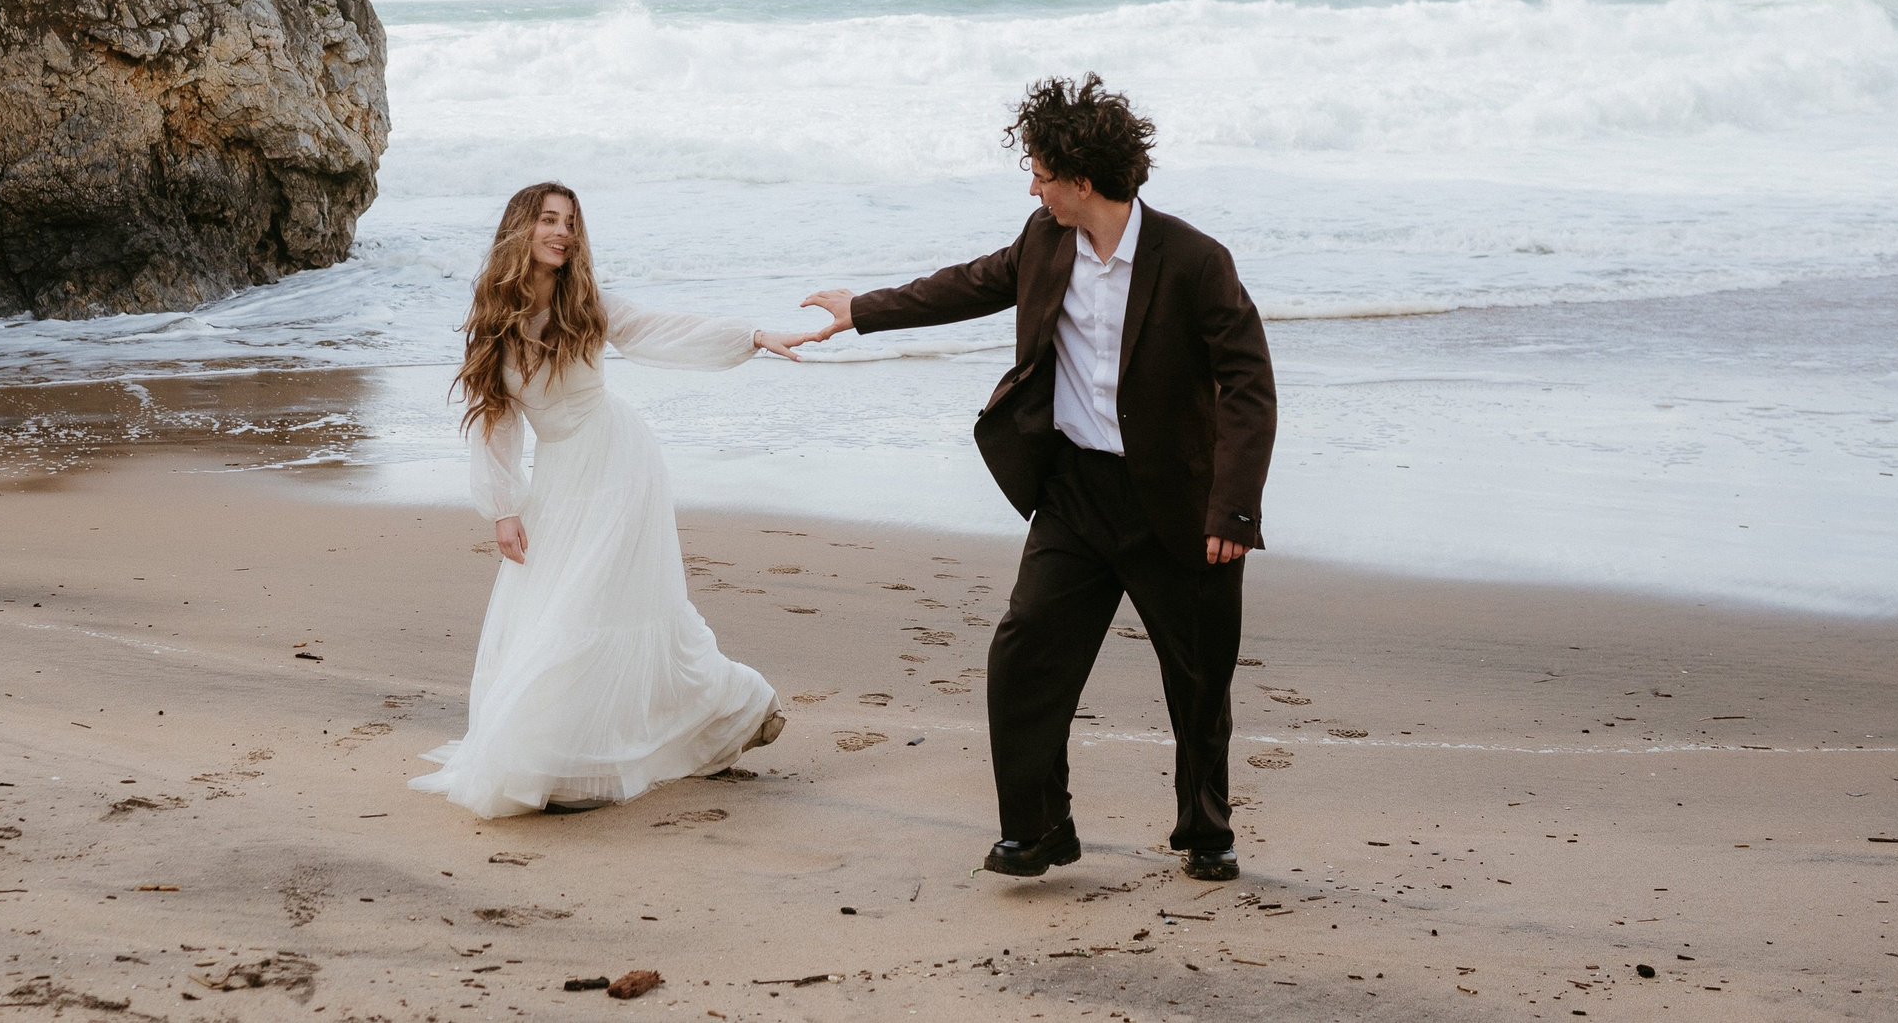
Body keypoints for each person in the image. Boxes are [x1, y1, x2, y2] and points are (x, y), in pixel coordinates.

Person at [802, 75, 1277, 881]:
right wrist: (865, 308)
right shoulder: (1044, 238)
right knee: (1023, 657)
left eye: (1041, 171)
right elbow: (971, 282)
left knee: (1198, 682)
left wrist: (1232, 510)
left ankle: (1206, 830)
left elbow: (1250, 384)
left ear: (1082, 178)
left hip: (1178, 503)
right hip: (1075, 496)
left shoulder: (1193, 260)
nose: (1033, 186)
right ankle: (1039, 827)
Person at [411, 181, 836, 818]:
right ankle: (690, 719)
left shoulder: (587, 302)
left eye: (570, 223)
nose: (561, 233)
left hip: (618, 463)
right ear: (521, 228)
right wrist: (503, 507)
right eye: (549, 220)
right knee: (558, 608)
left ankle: (631, 745)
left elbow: (661, 330)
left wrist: (748, 337)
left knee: (593, 606)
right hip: (560, 476)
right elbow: (496, 420)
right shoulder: (493, 320)